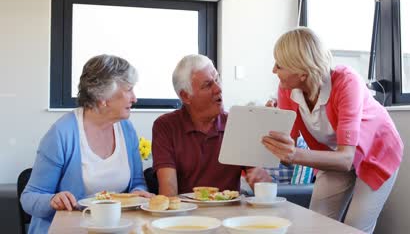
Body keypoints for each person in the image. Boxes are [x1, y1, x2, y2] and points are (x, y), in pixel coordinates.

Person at [261, 27, 404, 233]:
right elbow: (287, 151)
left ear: (302, 71)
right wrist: (271, 131)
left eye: (279, 65)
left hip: (377, 154)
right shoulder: (286, 90)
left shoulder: (347, 82)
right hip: (333, 157)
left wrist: (293, 154)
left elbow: (346, 159)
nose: (274, 70)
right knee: (317, 225)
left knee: (355, 227)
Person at [21, 54, 151, 233]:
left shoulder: (126, 129)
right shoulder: (62, 133)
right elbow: (29, 198)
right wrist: (53, 200)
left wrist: (138, 193)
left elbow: (137, 182)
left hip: (117, 228)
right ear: (104, 98)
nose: (134, 98)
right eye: (128, 89)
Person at [152, 54, 272, 196]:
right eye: (208, 85)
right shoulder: (165, 126)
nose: (218, 89)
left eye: (217, 79)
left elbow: (262, 187)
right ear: (185, 96)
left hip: (230, 215)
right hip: (187, 214)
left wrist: (262, 182)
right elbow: (168, 191)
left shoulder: (237, 124)